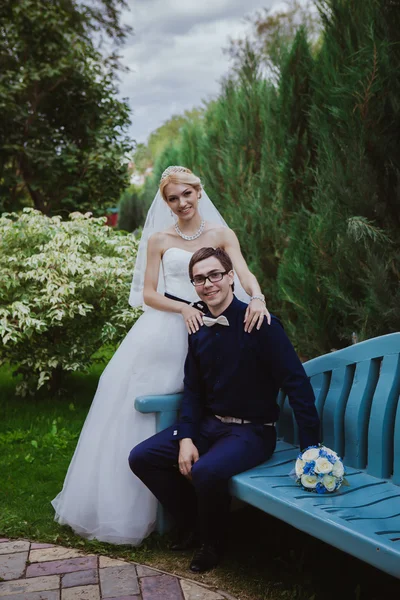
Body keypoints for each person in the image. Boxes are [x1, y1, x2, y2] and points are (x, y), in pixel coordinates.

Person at [52, 166, 271, 545]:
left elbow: (245, 273)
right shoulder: (158, 239)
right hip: (169, 328)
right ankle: (141, 509)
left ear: (199, 192)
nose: (181, 203)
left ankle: (207, 491)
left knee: (204, 400)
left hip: (217, 323)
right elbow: (148, 294)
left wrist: (258, 297)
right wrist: (183, 308)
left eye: (187, 194)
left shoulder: (222, 235)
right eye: (173, 198)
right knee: (144, 409)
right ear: (166, 203)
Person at [128, 246, 321, 572]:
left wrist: (311, 450)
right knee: (142, 457)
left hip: (252, 432)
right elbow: (193, 390)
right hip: (208, 426)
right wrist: (187, 437)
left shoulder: (263, 324)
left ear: (230, 277)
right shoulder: (198, 326)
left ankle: (212, 543)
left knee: (205, 471)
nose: (208, 284)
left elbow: (298, 387)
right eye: (199, 279)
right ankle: (192, 523)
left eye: (214, 275)